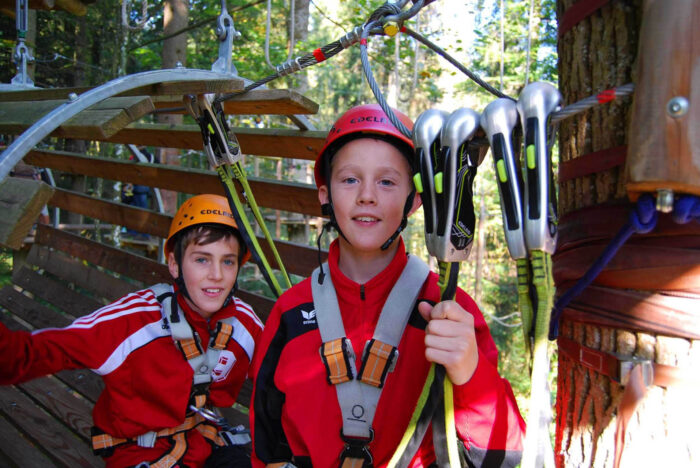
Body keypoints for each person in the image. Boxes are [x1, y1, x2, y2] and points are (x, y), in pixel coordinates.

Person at [250, 104, 525, 467]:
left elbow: (506, 455)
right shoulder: (291, 314)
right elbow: (267, 447)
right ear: (324, 194)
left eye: (387, 181)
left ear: (414, 199)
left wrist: (470, 374)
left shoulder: (447, 310)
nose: (367, 195)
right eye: (350, 179)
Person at [0, 194, 263, 468]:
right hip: (140, 454)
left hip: (205, 446)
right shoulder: (133, 322)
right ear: (174, 264)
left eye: (228, 261)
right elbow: (26, 355)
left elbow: (285, 375)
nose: (217, 275)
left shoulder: (243, 324)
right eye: (201, 260)